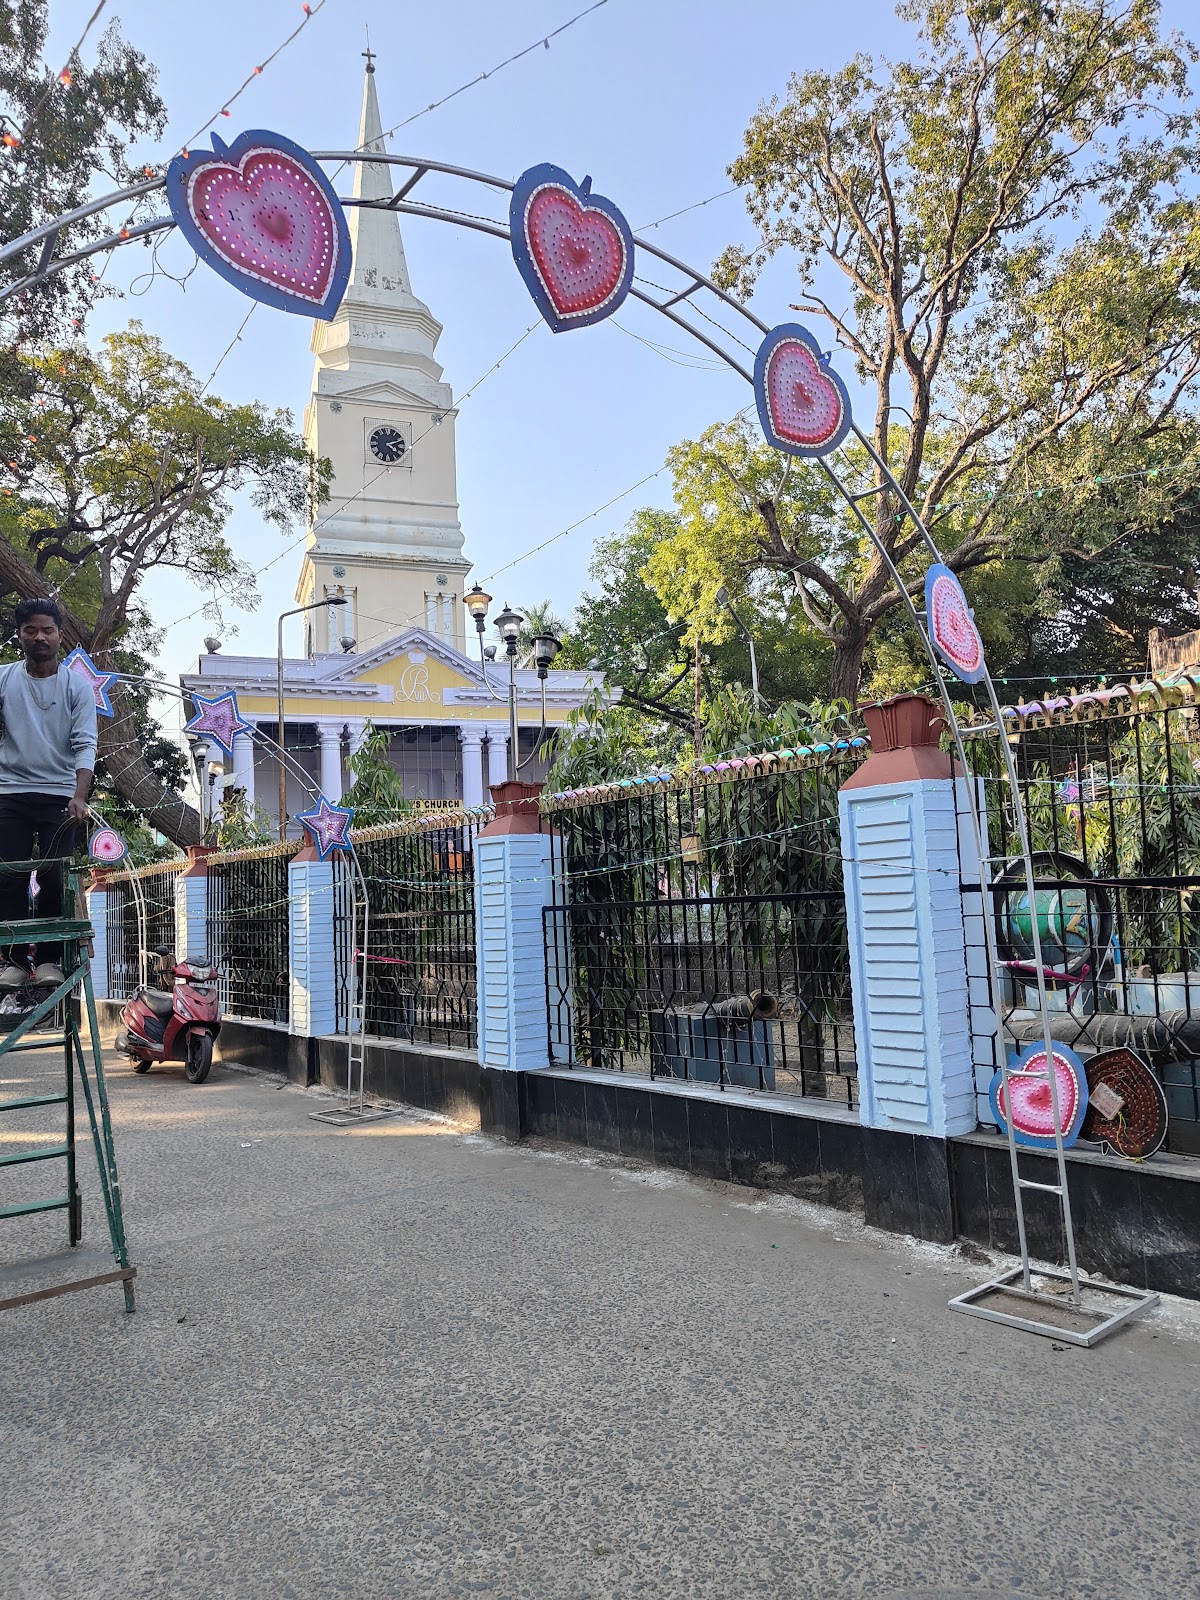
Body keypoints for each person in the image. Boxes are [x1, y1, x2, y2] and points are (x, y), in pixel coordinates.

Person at [0, 597, 98, 989]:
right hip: (10, 792)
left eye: (47, 630)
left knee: (55, 878)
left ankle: (49, 961)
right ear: (19, 635)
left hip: (60, 794)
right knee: (10, 877)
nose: (39, 636)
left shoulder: (77, 687)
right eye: (31, 630)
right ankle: (12, 962)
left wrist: (79, 795)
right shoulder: (4, 679)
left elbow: (85, 744)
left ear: (59, 635)